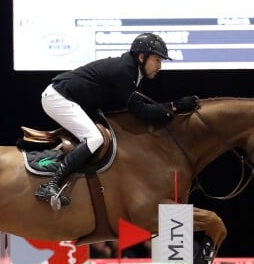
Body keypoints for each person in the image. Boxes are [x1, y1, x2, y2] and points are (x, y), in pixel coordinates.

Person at [35, 32, 199, 203]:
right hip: (59, 98)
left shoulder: (133, 71)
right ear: (142, 57)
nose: (160, 66)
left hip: (80, 101)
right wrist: (175, 106)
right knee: (95, 138)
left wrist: (172, 108)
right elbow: (141, 112)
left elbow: (138, 109)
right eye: (157, 60)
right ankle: (52, 185)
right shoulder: (125, 71)